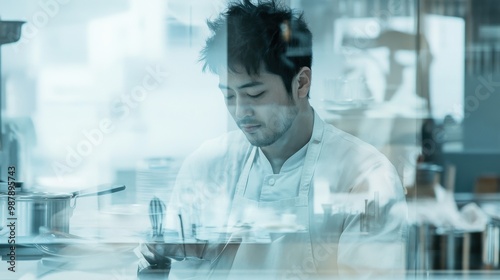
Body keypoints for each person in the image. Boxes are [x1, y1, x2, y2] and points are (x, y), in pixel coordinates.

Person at [162, 0, 408, 279]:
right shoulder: (207, 166)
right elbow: (180, 270)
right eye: (228, 96)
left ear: (301, 83)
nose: (241, 112)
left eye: (255, 95)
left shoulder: (364, 176)